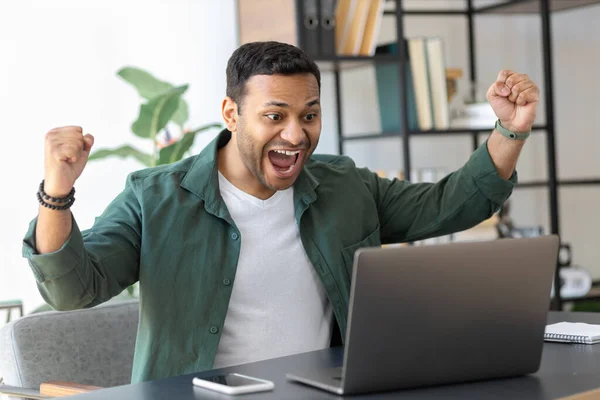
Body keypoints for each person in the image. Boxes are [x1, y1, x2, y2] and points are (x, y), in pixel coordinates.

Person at [22, 41, 538, 383]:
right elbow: (72, 289)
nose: (296, 135)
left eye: (308, 115)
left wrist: (510, 129)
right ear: (231, 113)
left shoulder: (345, 187)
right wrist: (57, 191)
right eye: (275, 116)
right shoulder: (156, 197)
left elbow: (450, 204)